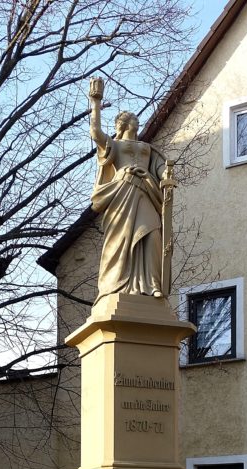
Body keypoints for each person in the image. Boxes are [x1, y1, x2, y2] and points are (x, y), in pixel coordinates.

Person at [89, 77, 170, 301]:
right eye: (131, 118)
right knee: (119, 240)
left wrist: (166, 176)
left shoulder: (147, 148)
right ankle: (116, 285)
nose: (136, 120)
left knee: (152, 235)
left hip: (145, 190)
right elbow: (95, 132)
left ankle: (153, 283)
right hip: (123, 194)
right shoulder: (114, 145)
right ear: (123, 124)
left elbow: (160, 167)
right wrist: (95, 102)